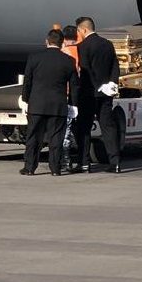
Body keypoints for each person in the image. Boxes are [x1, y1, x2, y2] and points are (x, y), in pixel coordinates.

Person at [19, 29, 80, 176]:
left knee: (33, 137)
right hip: (58, 105)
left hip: (37, 104)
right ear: (62, 43)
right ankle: (55, 168)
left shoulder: (34, 58)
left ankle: (29, 167)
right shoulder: (68, 61)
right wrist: (73, 104)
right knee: (56, 138)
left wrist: (26, 99)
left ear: (47, 41)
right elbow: (74, 86)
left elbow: (27, 82)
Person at [75, 16, 122, 173]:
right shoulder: (107, 44)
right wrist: (112, 83)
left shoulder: (82, 46)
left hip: (89, 93)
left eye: (78, 31)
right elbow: (115, 65)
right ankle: (115, 162)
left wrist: (97, 86)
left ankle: (84, 163)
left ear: (84, 30)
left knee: (84, 128)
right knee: (108, 127)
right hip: (106, 93)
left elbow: (86, 69)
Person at [60, 25, 81, 172]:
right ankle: (79, 159)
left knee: (65, 131)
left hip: (65, 93)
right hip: (80, 93)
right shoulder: (82, 50)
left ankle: (66, 161)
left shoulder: (64, 53)